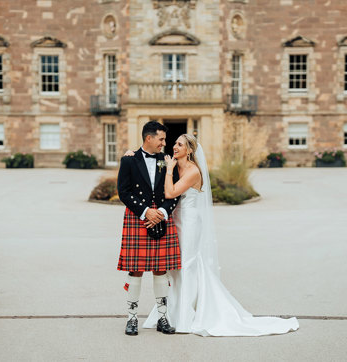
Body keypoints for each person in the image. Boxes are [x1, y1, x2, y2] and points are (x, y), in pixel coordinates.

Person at [125, 134, 299, 336]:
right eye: (174, 143)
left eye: (179, 144)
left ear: (189, 150)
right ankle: (170, 312)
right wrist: (130, 154)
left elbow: (171, 193)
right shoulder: (171, 163)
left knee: (187, 264)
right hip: (174, 221)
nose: (174, 146)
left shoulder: (192, 171)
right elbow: (149, 159)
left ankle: (185, 315)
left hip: (189, 221)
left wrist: (170, 170)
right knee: (174, 267)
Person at [116, 121, 182, 336]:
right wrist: (146, 212)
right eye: (161, 139)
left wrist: (161, 212)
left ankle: (163, 318)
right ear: (149, 138)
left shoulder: (168, 161)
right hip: (139, 217)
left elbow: (175, 192)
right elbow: (124, 192)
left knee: (160, 269)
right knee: (135, 270)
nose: (165, 143)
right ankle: (132, 318)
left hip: (161, 215)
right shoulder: (129, 160)